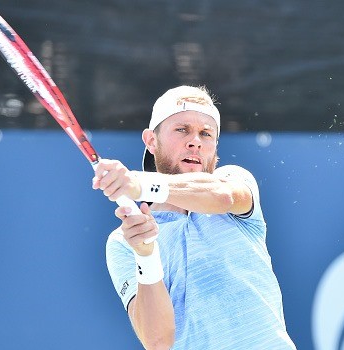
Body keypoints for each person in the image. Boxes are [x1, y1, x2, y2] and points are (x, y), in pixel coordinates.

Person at [92, 85, 296, 349]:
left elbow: (222, 196)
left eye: (206, 133)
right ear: (151, 140)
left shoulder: (234, 181)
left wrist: (138, 183)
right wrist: (146, 254)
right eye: (182, 129)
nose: (195, 141)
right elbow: (158, 341)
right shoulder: (123, 242)